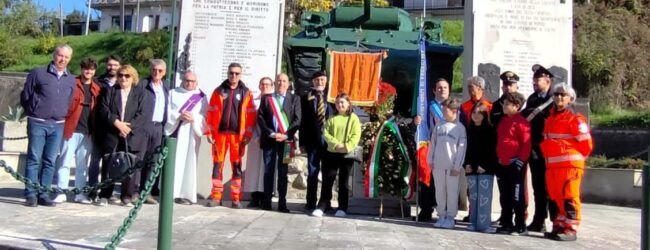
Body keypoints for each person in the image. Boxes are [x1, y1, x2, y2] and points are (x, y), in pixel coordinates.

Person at [20, 44, 76, 207]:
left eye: (66, 57)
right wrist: (35, 110)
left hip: (58, 125)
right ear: (54, 55)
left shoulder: (70, 79)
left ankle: (44, 193)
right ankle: (31, 194)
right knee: (34, 159)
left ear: (69, 59)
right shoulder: (38, 73)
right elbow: (25, 96)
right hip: (38, 122)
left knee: (50, 160)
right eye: (60, 55)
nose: (62, 59)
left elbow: (69, 99)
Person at [540, 83, 593, 241]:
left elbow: (586, 145)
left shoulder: (575, 119)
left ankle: (571, 229)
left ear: (571, 99)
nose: (559, 97)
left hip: (569, 167)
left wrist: (573, 159)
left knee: (570, 197)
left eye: (563, 95)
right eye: (556, 94)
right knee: (557, 197)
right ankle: (560, 225)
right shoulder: (551, 118)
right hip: (553, 167)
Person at [96, 65, 152, 207]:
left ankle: (126, 195)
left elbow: (143, 114)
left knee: (130, 166)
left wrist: (127, 127)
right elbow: (104, 109)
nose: (123, 78)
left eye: (127, 76)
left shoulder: (141, 94)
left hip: (131, 134)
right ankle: (105, 195)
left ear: (133, 78)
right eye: (120, 75)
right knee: (109, 164)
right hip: (113, 133)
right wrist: (117, 123)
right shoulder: (109, 91)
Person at [205, 62, 256, 208]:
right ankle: (216, 197)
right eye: (231, 73)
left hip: (237, 137)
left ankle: (235, 198)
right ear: (227, 73)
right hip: (219, 135)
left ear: (240, 75)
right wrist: (208, 132)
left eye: (237, 73)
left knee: (236, 167)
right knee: (217, 166)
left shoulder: (246, 93)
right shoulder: (218, 91)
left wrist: (248, 134)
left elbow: (251, 116)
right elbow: (210, 113)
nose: (233, 76)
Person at [53, 58, 101, 204]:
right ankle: (61, 192)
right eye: (86, 68)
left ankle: (80, 194)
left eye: (92, 69)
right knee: (65, 162)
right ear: (81, 69)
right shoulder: (72, 83)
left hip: (88, 131)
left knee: (82, 165)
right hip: (71, 129)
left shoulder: (97, 88)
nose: (89, 71)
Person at [311, 93, 361, 218]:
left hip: (346, 154)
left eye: (342, 102)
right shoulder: (331, 118)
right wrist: (335, 144)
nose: (340, 105)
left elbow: (356, 134)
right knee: (328, 180)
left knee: (343, 182)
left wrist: (346, 146)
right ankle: (322, 205)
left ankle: (342, 207)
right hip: (331, 153)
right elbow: (326, 133)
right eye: (338, 102)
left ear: (348, 103)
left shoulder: (353, 118)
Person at [257, 73, 301, 213]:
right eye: (279, 81)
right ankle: (267, 202)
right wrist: (272, 133)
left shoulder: (295, 99)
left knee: (283, 172)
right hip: (270, 140)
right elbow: (261, 118)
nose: (281, 83)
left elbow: (297, 119)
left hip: (287, 142)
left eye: (284, 81)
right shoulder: (267, 99)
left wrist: (286, 134)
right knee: (268, 171)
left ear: (288, 84)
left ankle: (282, 203)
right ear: (274, 83)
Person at [521, 64, 558, 233]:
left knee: (552, 187)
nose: (534, 82)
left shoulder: (554, 99)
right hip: (535, 149)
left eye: (537, 80)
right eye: (533, 80)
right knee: (538, 186)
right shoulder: (532, 99)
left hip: (549, 150)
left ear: (547, 80)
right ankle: (539, 220)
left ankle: (556, 221)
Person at [164, 71, 208, 205]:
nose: (189, 83)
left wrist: (194, 119)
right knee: (175, 162)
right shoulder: (173, 93)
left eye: (192, 81)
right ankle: (170, 192)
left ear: (197, 82)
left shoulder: (201, 96)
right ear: (182, 80)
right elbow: (167, 111)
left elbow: (205, 115)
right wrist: (178, 116)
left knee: (189, 163)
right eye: (187, 80)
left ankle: (185, 194)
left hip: (191, 134)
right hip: (176, 131)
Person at [413, 78, 450, 222]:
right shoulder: (427, 106)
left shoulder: (455, 107)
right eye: (439, 88)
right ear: (434, 90)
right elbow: (422, 126)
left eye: (445, 88)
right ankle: (426, 209)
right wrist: (417, 121)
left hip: (448, 148)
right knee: (428, 179)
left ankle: (445, 211)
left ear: (449, 90)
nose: (442, 90)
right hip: (431, 146)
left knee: (446, 181)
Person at [495, 92, 531, 235]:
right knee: (505, 196)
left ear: (517, 106)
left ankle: (520, 224)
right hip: (502, 164)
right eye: (504, 103)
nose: (504, 106)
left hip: (515, 164)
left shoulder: (522, 123)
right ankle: (506, 222)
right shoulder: (503, 121)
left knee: (517, 196)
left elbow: (526, 145)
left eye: (507, 104)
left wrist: (520, 161)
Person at [428, 98, 467, 229]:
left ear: (454, 111)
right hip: (438, 165)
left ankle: (450, 217)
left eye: (445, 110)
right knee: (439, 191)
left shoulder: (460, 128)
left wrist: (457, 166)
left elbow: (462, 148)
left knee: (452, 192)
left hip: (452, 167)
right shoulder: (439, 126)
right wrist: (430, 160)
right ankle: (441, 215)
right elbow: (433, 143)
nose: (443, 113)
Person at [88, 55, 123, 202]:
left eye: (115, 65)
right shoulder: (98, 82)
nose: (112, 68)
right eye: (109, 65)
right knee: (95, 162)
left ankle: (106, 193)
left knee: (111, 163)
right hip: (98, 128)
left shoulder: (123, 83)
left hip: (115, 130)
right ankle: (92, 190)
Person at [299, 71, 334, 211]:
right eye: (317, 80)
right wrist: (302, 143)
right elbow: (302, 122)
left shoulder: (331, 97)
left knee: (328, 173)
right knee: (312, 172)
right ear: (313, 82)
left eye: (322, 80)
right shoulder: (305, 97)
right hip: (312, 140)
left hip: (329, 141)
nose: (320, 82)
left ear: (326, 81)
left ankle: (326, 202)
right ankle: (310, 202)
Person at [489, 70, 520, 225]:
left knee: (517, 189)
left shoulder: (521, 105)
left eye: (511, 84)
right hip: (499, 153)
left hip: (516, 155)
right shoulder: (496, 106)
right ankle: (505, 215)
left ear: (516, 86)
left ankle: (520, 217)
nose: (507, 88)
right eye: (505, 85)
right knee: (503, 188)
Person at [139, 59, 170, 205]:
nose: (156, 73)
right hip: (144, 126)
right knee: (140, 160)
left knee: (153, 161)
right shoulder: (143, 85)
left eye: (160, 71)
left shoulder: (167, 88)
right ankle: (134, 191)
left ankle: (147, 192)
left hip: (159, 128)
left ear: (164, 72)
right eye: (154, 70)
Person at [464, 102, 498, 232]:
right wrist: (466, 164)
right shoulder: (469, 130)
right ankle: (473, 222)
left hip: (485, 169)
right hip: (471, 169)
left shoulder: (490, 130)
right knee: (473, 197)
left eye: (479, 113)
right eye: (474, 112)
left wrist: (486, 166)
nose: (476, 115)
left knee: (484, 197)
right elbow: (466, 150)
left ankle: (484, 224)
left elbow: (492, 151)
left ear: (485, 115)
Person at [243, 77, 274, 208]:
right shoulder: (253, 101)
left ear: (271, 86)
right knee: (254, 169)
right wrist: (255, 136)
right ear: (259, 85)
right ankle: (254, 196)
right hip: (255, 139)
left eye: (267, 84)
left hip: (270, 139)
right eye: (262, 84)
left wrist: (267, 136)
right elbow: (249, 120)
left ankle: (265, 196)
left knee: (266, 168)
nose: (265, 86)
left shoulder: (274, 101)